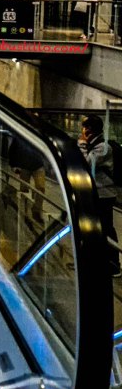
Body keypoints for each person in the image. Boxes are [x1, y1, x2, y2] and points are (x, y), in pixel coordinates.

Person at [79, 115, 120, 276]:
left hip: (104, 194)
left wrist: (82, 144)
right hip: (96, 192)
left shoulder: (103, 147)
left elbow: (86, 164)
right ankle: (95, 260)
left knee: (106, 228)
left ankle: (114, 264)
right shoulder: (95, 144)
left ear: (90, 129)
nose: (83, 131)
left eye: (85, 127)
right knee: (95, 227)